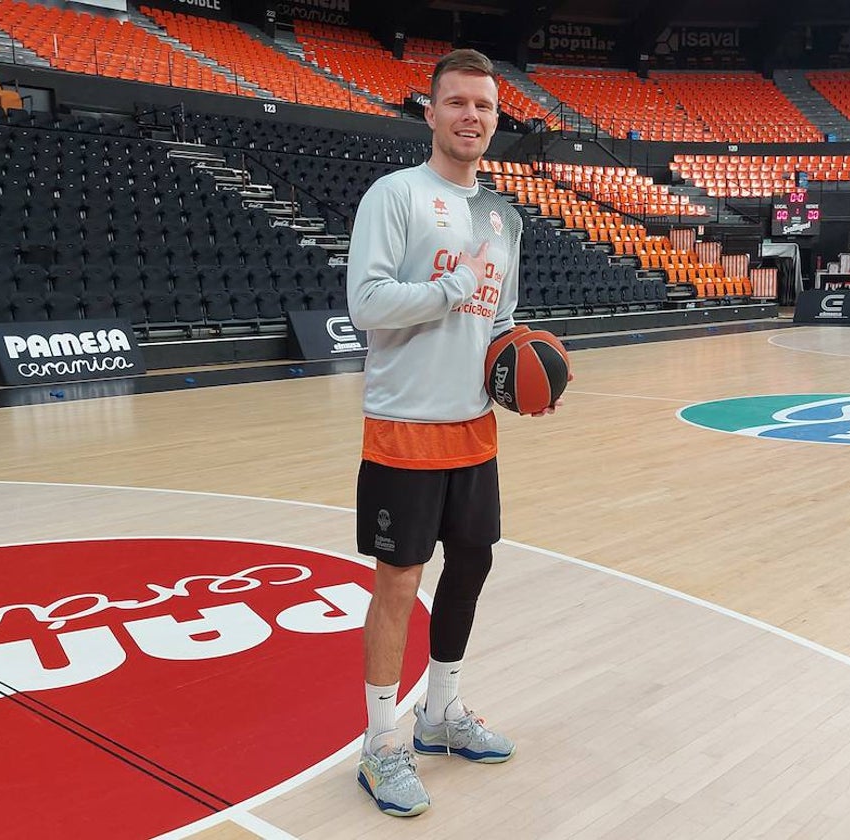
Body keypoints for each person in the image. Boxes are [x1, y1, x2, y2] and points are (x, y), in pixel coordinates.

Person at [345, 48, 560, 817]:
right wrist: (454, 285)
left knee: (471, 567)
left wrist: (523, 370)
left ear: (497, 121)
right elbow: (367, 303)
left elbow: (495, 322)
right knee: (398, 582)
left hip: (472, 430)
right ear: (430, 113)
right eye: (458, 103)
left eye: (486, 107)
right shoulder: (395, 195)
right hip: (403, 426)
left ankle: (440, 715)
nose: (472, 116)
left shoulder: (505, 218)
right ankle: (380, 743)